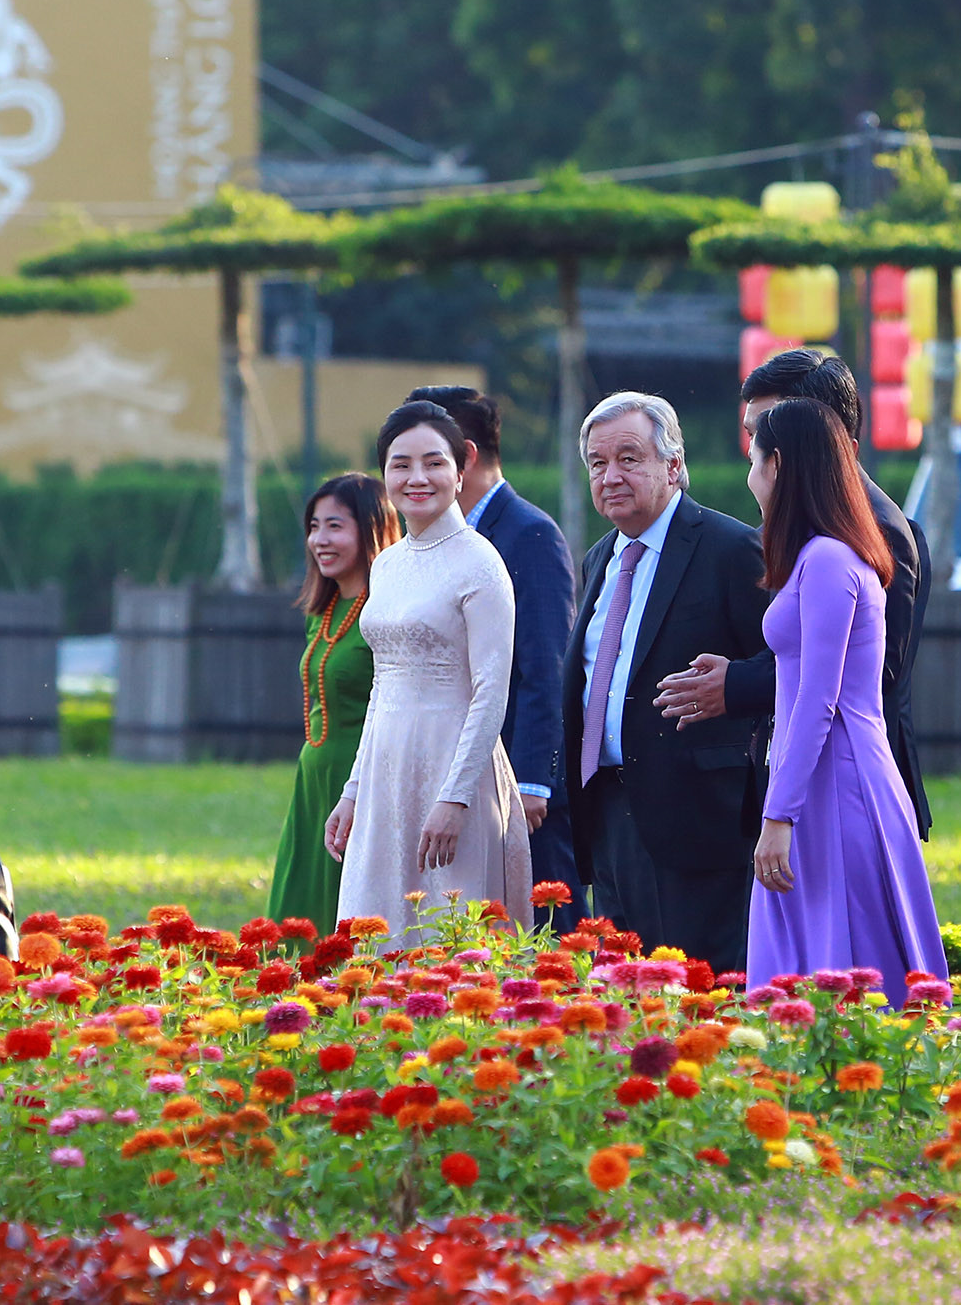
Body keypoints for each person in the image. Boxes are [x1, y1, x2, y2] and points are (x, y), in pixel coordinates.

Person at [657, 350, 933, 840]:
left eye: (766, 428)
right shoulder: (795, 524)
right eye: (751, 432)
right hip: (796, 780)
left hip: (841, 791)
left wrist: (735, 685)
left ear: (815, 433)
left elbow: (860, 676)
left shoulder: (864, 533)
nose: (754, 448)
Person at [562, 392, 771, 974]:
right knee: (625, 992)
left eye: (629, 458)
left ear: (673, 466)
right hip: (606, 807)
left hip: (699, 817)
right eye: (598, 464)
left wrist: (730, 688)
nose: (611, 476)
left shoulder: (731, 549)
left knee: (699, 990)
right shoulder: (599, 558)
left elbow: (796, 667)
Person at [744, 399, 947, 992]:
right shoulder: (819, 556)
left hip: (836, 783)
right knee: (817, 963)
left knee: (850, 972)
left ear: (778, 465)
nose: (750, 474)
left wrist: (780, 811)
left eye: (754, 458)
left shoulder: (829, 559)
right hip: (818, 778)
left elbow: (817, 700)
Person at [324, 402, 529, 944]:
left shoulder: (481, 563)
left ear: (462, 470)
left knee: (449, 935)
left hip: (453, 764)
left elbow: (491, 691)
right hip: (387, 769)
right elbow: (381, 687)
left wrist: (456, 796)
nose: (418, 478)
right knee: (378, 930)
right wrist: (352, 790)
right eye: (401, 464)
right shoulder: (388, 563)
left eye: (434, 463)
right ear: (384, 474)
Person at [412, 385, 583, 931]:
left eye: (430, 456)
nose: (417, 474)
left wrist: (534, 780)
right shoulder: (431, 539)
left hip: (518, 783)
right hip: (451, 768)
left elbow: (545, 666)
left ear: (465, 456)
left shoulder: (527, 534)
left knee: (544, 931)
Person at [267, 473, 398, 935]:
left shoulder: (386, 612)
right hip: (313, 781)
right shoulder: (321, 613)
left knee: (347, 921)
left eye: (335, 526)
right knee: (296, 916)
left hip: (360, 782)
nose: (320, 540)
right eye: (314, 526)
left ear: (372, 529)